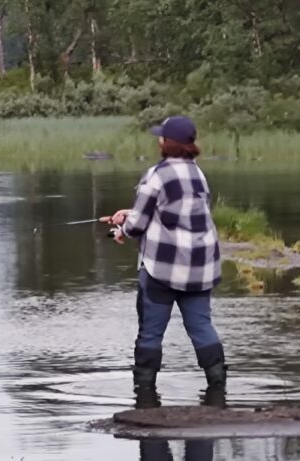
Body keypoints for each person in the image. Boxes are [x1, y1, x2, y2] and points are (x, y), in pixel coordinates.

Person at [100, 115, 227, 392]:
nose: (158, 140)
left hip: (162, 270)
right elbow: (177, 212)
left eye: (161, 136)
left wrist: (122, 229)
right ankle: (218, 389)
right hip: (200, 269)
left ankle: (144, 396)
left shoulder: (156, 174)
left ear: (167, 143)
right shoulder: (198, 175)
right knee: (201, 326)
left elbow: (138, 226)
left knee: (150, 332)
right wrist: (131, 213)